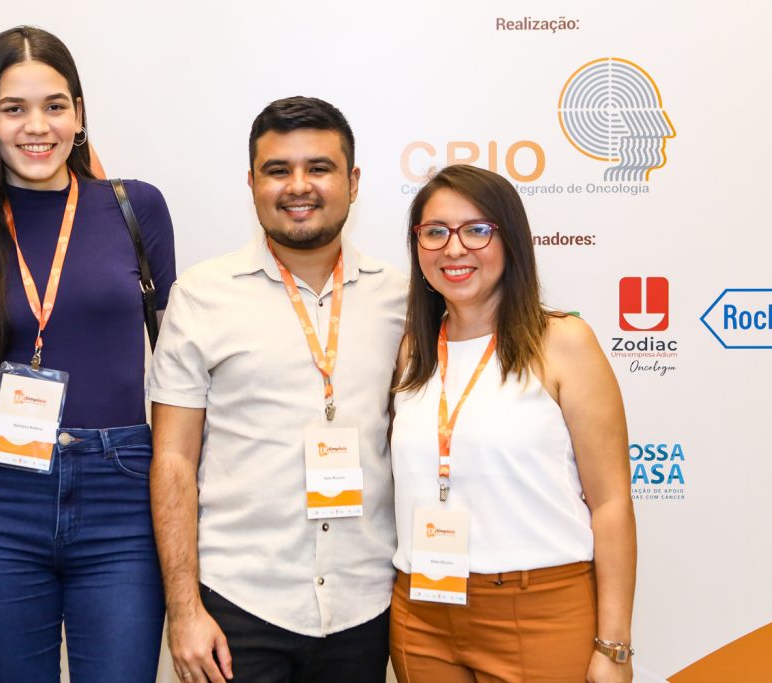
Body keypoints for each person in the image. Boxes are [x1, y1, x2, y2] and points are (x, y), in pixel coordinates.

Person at [0, 26, 175, 683]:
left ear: (80, 116)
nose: (38, 126)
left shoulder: (134, 208)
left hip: (124, 497)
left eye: (55, 105)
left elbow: (178, 378)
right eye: (14, 108)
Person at [147, 96, 407, 683]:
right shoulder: (202, 295)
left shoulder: (403, 300)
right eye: (277, 170)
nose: (299, 186)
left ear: (353, 181)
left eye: (319, 168)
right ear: (252, 182)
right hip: (238, 604)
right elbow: (173, 460)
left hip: (366, 605)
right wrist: (184, 610)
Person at [389, 164, 636, 682]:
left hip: (539, 611)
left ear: (512, 239)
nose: (453, 249)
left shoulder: (563, 342)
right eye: (434, 232)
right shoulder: (412, 350)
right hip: (423, 613)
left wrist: (614, 647)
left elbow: (611, 503)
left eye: (477, 229)